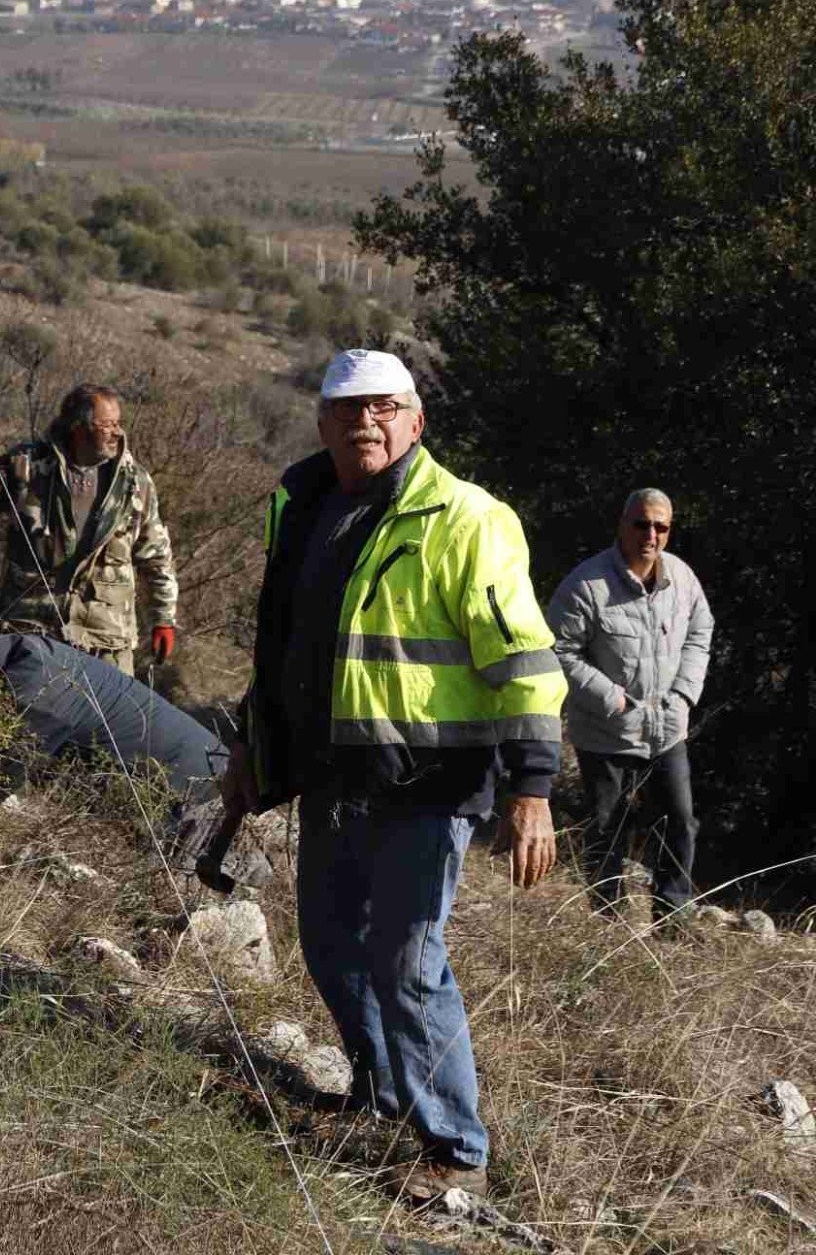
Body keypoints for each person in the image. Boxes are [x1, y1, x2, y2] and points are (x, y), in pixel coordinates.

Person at [223, 348, 565, 1202]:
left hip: (432, 786)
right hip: (334, 777)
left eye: (383, 408)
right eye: (347, 410)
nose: (364, 423)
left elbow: (525, 662)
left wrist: (532, 787)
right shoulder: (304, 509)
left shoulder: (466, 519)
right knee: (333, 947)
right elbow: (281, 649)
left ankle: (457, 1150)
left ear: (416, 419)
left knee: (408, 963)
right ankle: (381, 1096)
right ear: (322, 424)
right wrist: (250, 750)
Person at [546, 489, 712, 921]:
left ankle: (672, 919)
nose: (650, 535)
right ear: (622, 525)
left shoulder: (682, 578)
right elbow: (558, 651)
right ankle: (607, 923)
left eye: (661, 526)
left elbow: (700, 631)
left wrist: (683, 694)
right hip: (607, 730)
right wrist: (613, 699)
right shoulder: (587, 584)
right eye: (641, 524)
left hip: (667, 727)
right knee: (607, 828)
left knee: (680, 822)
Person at [0, 383, 177, 675]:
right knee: (25, 717)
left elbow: (155, 555)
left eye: (118, 423)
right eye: (107, 424)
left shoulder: (135, 482)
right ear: (79, 428)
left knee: (103, 721)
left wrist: (163, 619)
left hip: (106, 641)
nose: (117, 432)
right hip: (30, 631)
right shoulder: (28, 464)